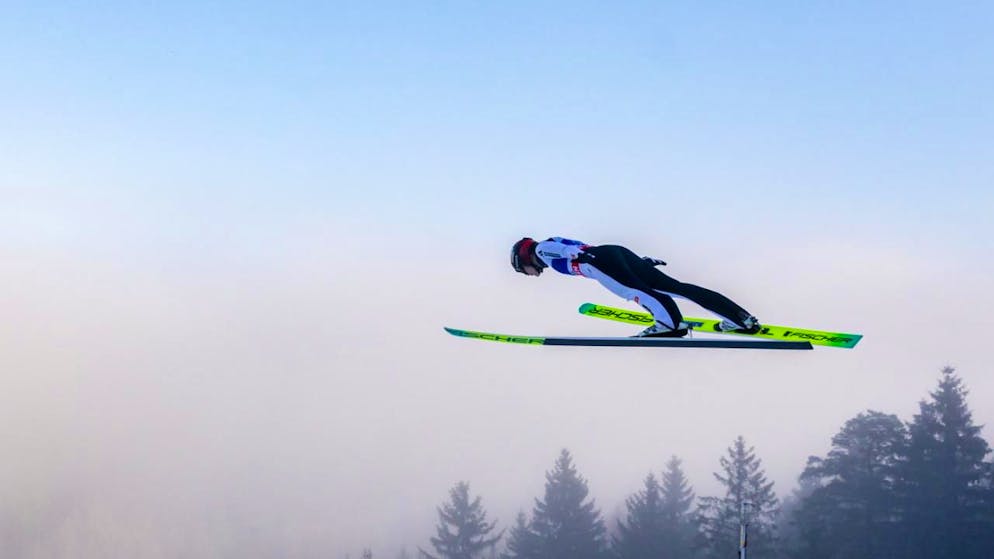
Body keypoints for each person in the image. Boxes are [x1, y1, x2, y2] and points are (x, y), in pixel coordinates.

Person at [510, 236, 760, 338]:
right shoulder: (551, 243)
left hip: (597, 261)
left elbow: (569, 251)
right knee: (676, 288)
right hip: (613, 253)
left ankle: (668, 325)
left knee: (634, 292)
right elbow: (582, 247)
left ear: (524, 258)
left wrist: (582, 257)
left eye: (523, 270)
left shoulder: (542, 249)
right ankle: (741, 319)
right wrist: (639, 264)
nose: (530, 275)